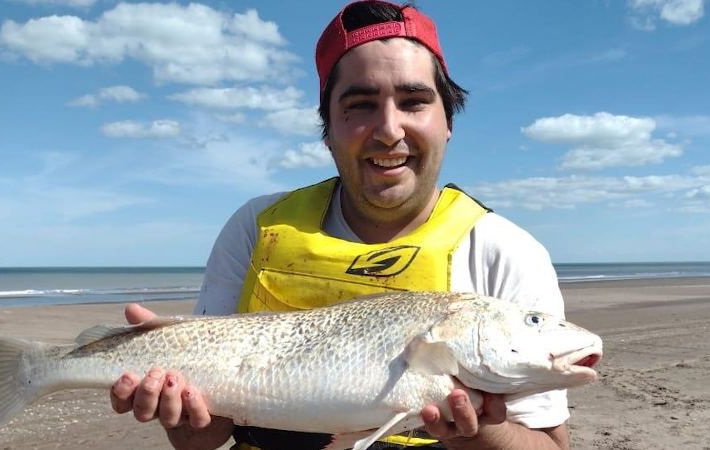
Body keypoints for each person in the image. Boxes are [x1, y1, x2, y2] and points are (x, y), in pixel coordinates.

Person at [109, 1, 570, 449]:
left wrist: (478, 431)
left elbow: (550, 445)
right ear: (327, 129)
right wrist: (176, 407)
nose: (389, 130)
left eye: (414, 101)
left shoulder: (506, 252)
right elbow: (201, 439)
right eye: (361, 104)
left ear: (447, 120)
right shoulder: (255, 227)